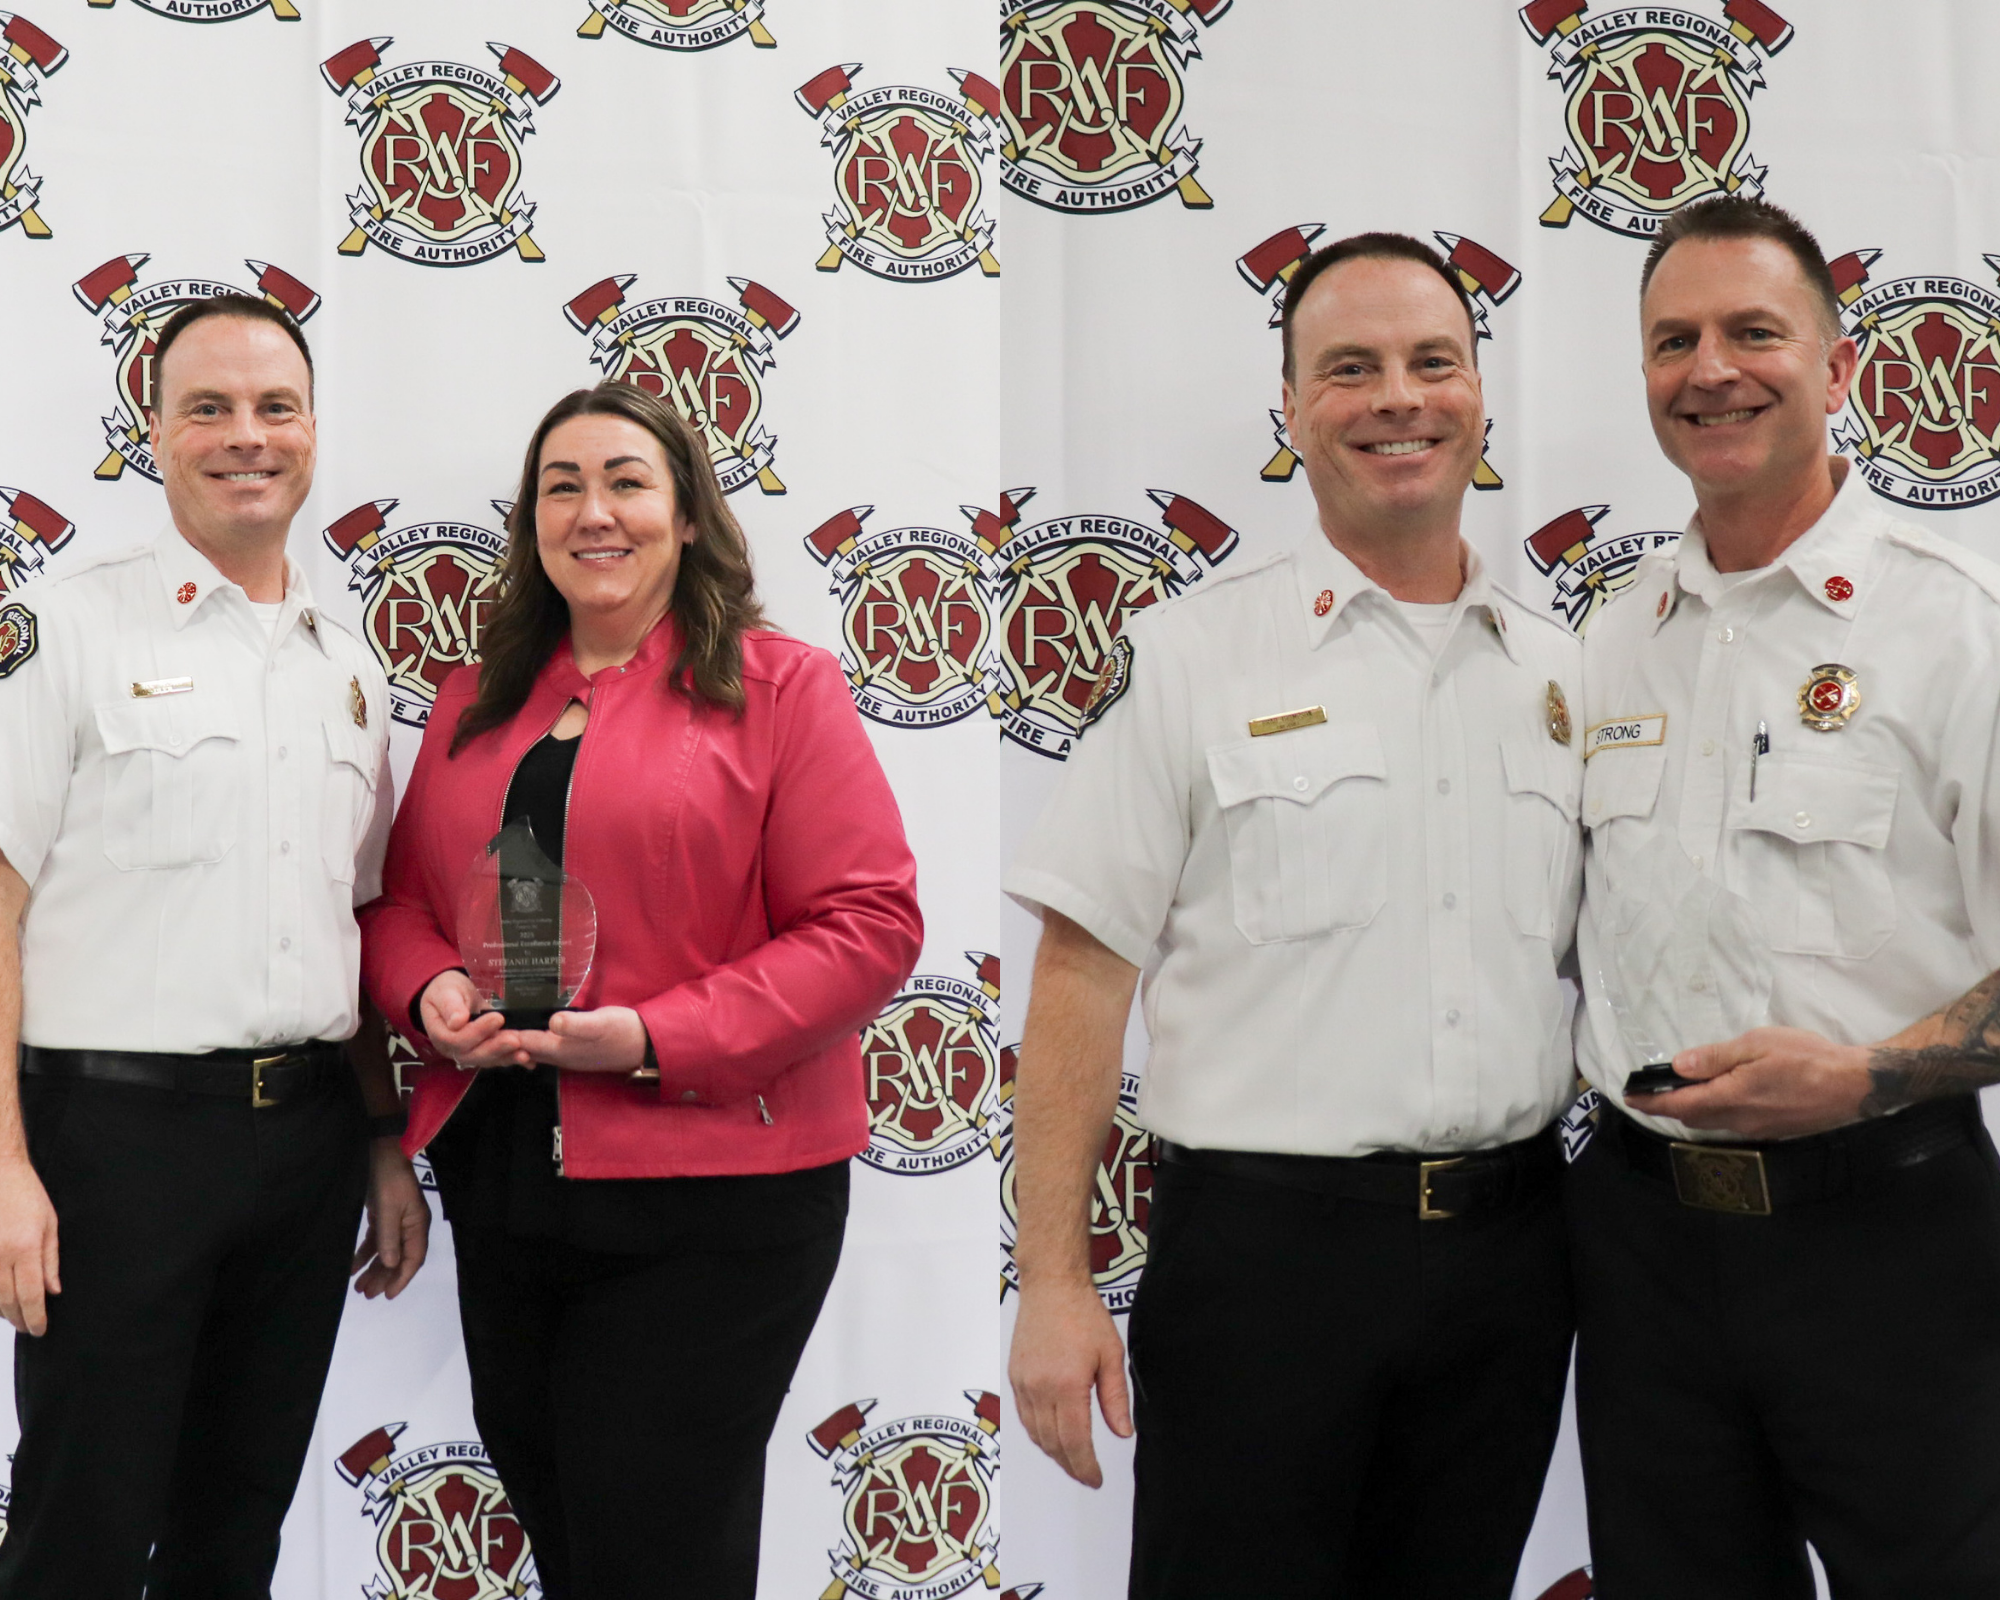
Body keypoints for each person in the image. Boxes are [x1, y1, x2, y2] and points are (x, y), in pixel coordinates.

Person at [1004, 233, 1583, 1597]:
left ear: (1480, 396)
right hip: (1265, 1266)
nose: (1399, 397)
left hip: (1511, 1263)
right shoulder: (1195, 657)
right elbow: (1084, 972)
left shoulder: (1563, 677)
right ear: (1292, 412)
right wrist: (1054, 1280)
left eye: (1433, 361)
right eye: (1351, 369)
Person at [360, 380, 922, 1597]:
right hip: (507, 1180)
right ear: (531, 525)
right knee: (570, 1536)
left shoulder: (780, 688)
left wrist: (654, 1038)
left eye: (625, 480)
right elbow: (398, 904)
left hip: (715, 1200)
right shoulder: (475, 701)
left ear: (684, 514)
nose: (593, 509)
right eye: (561, 485)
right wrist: (431, 991)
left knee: (655, 1552)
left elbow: (868, 925)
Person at [1568, 194, 2000, 1597]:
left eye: (1756, 332)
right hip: (1641, 1255)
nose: (1711, 370)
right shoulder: (1610, 640)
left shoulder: (1953, 626)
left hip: (1888, 1242)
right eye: (1672, 340)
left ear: (1839, 368)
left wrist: (1871, 1076)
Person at [0, 295, 428, 1596]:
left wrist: (377, 1144)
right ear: (154, 435)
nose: (248, 435)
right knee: (79, 1530)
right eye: (210, 407)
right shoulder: (63, 633)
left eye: (275, 406)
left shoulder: (350, 669)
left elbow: (348, 931)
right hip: (110, 1151)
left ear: (311, 431)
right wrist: (5, 1163)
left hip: (300, 1152)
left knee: (233, 1533)